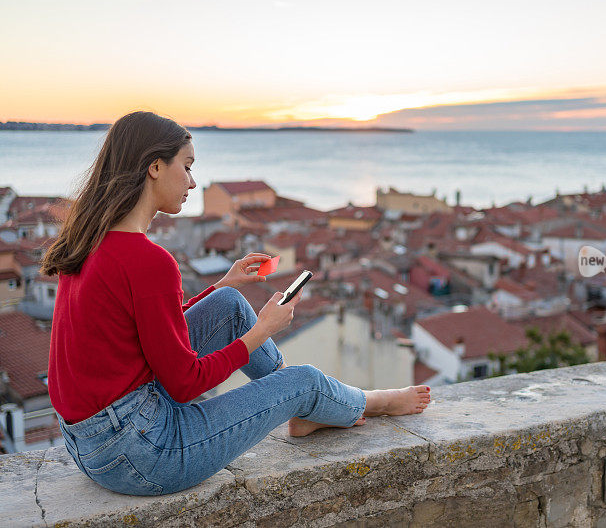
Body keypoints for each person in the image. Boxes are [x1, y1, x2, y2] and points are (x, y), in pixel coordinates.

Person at [41, 111, 431, 496]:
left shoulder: (89, 242)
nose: (192, 182)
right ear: (155, 167)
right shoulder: (148, 260)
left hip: (90, 443)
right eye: (187, 166)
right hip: (144, 454)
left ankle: (305, 409)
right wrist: (263, 330)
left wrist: (222, 284)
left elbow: (147, 332)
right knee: (304, 379)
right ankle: (363, 402)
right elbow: (184, 383)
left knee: (229, 302)